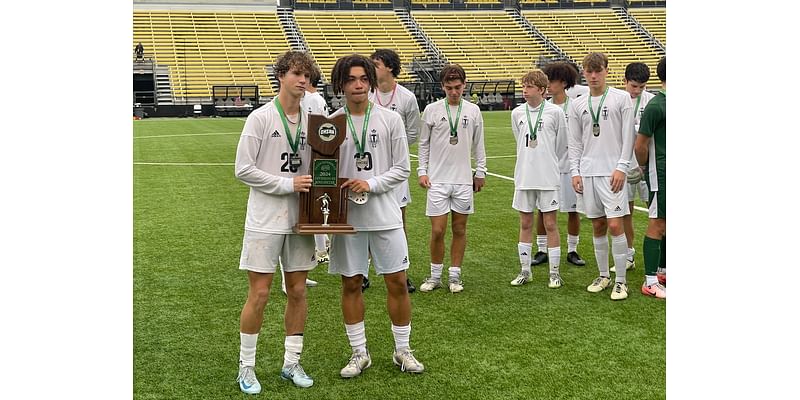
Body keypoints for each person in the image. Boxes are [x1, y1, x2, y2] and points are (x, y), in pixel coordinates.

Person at [327, 54, 424, 377]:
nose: (358, 85)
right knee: (351, 283)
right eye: (351, 79)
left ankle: (402, 349)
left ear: (371, 82)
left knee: (396, 281)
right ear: (341, 84)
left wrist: (370, 184)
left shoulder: (389, 119)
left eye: (364, 79)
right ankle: (359, 353)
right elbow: (324, 173)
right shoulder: (331, 123)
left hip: (385, 213)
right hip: (348, 218)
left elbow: (402, 168)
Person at [233, 50, 318, 394]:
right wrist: (287, 184)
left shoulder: (315, 117)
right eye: (296, 73)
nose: (302, 81)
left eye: (307, 76)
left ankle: (291, 362)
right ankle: (246, 367)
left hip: (303, 218)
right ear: (281, 75)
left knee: (297, 291)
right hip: (266, 217)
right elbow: (243, 169)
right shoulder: (260, 117)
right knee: (261, 293)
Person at [567, 52, 635, 301]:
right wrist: (575, 172)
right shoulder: (577, 104)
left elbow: (628, 137)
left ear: (607, 70)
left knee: (616, 224)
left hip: (612, 173)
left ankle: (621, 281)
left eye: (598, 70)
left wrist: (622, 167)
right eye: (589, 71)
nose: (593, 75)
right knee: (597, 225)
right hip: (587, 173)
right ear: (584, 73)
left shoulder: (621, 98)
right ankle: (604, 275)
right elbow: (574, 143)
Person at [417, 64, 487, 293]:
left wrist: (480, 172)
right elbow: (424, 144)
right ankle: (435, 276)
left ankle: (455, 276)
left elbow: (479, 144)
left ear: (464, 85)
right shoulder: (432, 110)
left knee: (459, 229)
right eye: (449, 88)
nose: (454, 92)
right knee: (438, 230)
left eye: (458, 87)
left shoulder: (473, 111)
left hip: (463, 180)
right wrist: (422, 171)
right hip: (437, 180)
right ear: (442, 87)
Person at [365, 48, 422, 294]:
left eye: (375, 64)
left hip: (395, 169)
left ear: (389, 66)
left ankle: (402, 272)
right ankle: (362, 272)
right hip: (369, 167)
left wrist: (393, 150)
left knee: (399, 221)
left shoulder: (407, 97)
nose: (372, 68)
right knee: (364, 219)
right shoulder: (366, 93)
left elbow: (413, 131)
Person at [508, 69, 567, 289]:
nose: (525, 90)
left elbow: (561, 145)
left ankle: (554, 273)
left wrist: (547, 163)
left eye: (530, 86)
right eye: (523, 86)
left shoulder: (555, 113)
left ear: (542, 90)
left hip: (548, 177)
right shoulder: (517, 113)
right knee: (525, 223)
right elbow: (519, 140)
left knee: (550, 224)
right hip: (524, 177)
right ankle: (525, 271)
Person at [531, 61, 587, 268]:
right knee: (542, 209)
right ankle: (541, 249)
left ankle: (572, 249)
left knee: (573, 210)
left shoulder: (575, 106)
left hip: (571, 165)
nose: (548, 85)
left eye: (551, 81)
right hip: (547, 166)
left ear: (563, 82)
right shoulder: (543, 108)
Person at [611, 62, 656, 275]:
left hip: (648, 166)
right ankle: (629, 254)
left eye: (642, 87)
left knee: (656, 211)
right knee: (625, 211)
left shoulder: (653, 102)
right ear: (624, 81)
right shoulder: (617, 101)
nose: (637, 91)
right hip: (624, 165)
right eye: (633, 86)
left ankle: (662, 255)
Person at [635, 56, 667, 299]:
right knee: (658, 223)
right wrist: (647, 169)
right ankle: (650, 281)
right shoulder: (657, 106)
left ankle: (663, 270)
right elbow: (640, 145)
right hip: (662, 175)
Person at [301, 63, 331, 265]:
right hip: (315, 156)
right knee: (315, 206)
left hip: (311, 156)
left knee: (314, 206)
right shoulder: (317, 99)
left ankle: (320, 248)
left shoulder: (312, 100)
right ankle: (321, 246)